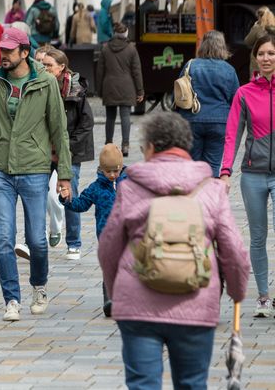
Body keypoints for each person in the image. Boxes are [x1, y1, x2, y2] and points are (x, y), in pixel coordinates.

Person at [99, 112, 249, 390]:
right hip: (196, 302)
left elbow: (108, 248)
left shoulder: (130, 188)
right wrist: (237, 294)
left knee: (143, 384)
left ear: (151, 148)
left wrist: (116, 290)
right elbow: (235, 252)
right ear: (186, 148)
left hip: (137, 305)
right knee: (192, 383)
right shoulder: (212, 189)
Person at [0, 26, 72, 322]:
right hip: (0, 168)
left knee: (37, 240)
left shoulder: (46, 82)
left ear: (24, 52)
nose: (3, 56)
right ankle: (11, 299)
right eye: (1, 51)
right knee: (3, 239)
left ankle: (39, 286)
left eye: (9, 52)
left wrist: (64, 175)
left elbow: (59, 130)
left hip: (35, 168)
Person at [221, 30, 275, 317]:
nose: (266, 58)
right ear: (255, 57)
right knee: (257, 237)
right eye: (262, 53)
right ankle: (264, 297)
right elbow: (232, 135)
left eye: (271, 53)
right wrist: (225, 172)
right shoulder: (244, 93)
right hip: (253, 174)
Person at [39, 47, 94, 259]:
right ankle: (37, 239)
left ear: (62, 67)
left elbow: (86, 124)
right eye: (43, 65)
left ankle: (74, 243)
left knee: (68, 193)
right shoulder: (40, 86)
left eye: (49, 66)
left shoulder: (76, 90)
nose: (45, 69)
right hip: (44, 150)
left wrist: (66, 146)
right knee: (36, 193)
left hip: (71, 150)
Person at [63, 144, 125, 316]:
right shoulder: (96, 187)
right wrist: (67, 200)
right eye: (108, 171)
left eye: (116, 171)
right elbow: (81, 204)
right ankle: (109, 300)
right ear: (101, 169)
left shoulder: (128, 182)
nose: (112, 175)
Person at [177, 30, 239, 176]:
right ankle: (210, 196)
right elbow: (235, 100)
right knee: (213, 166)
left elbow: (179, 95)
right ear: (222, 46)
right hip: (219, 123)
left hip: (192, 120)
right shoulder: (229, 70)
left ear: (203, 45)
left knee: (192, 165)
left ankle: (192, 197)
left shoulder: (190, 66)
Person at [96, 22, 144, 156]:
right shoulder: (131, 49)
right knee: (125, 117)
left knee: (110, 118)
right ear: (126, 33)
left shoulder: (105, 48)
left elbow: (100, 71)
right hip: (127, 86)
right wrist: (140, 91)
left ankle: (108, 144)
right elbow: (136, 71)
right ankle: (125, 146)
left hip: (109, 86)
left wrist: (99, 90)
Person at [243, 6, 275, 72]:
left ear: (260, 17)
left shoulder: (258, 28)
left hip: (259, 62)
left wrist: (253, 27)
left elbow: (247, 41)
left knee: (258, 81)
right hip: (272, 60)